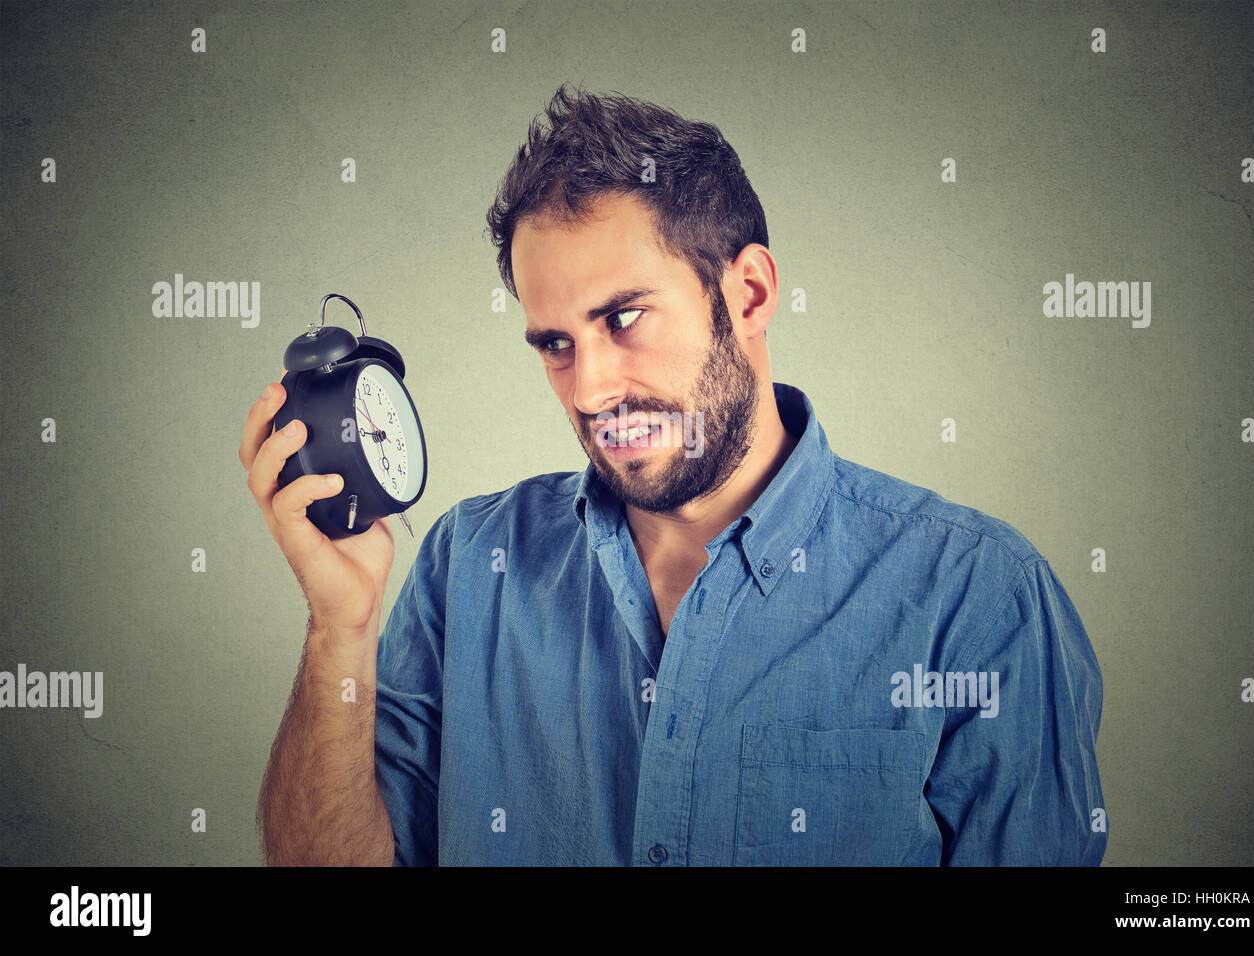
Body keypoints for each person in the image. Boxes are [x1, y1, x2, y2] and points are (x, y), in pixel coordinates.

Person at [244, 83, 1107, 866]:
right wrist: (339, 624)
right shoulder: (467, 565)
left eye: (624, 319)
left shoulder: (980, 598)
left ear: (752, 295)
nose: (588, 390)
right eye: (555, 344)